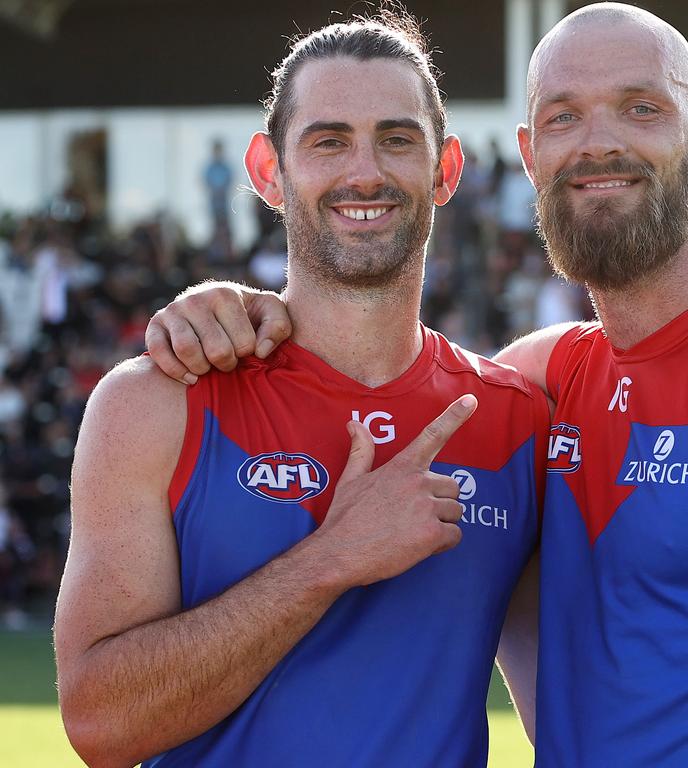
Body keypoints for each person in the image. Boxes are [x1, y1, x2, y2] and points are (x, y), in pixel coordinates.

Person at [148, 4, 688, 767]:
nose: (597, 143)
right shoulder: (538, 381)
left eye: (641, 108)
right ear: (530, 151)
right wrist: (230, 310)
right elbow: (383, 368)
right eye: (563, 116)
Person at [54, 13, 549, 767]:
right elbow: (100, 724)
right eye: (327, 141)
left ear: (446, 170)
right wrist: (332, 559)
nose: (365, 172)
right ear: (267, 171)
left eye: (396, 138)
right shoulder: (162, 399)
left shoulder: (517, 422)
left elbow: (579, 695)